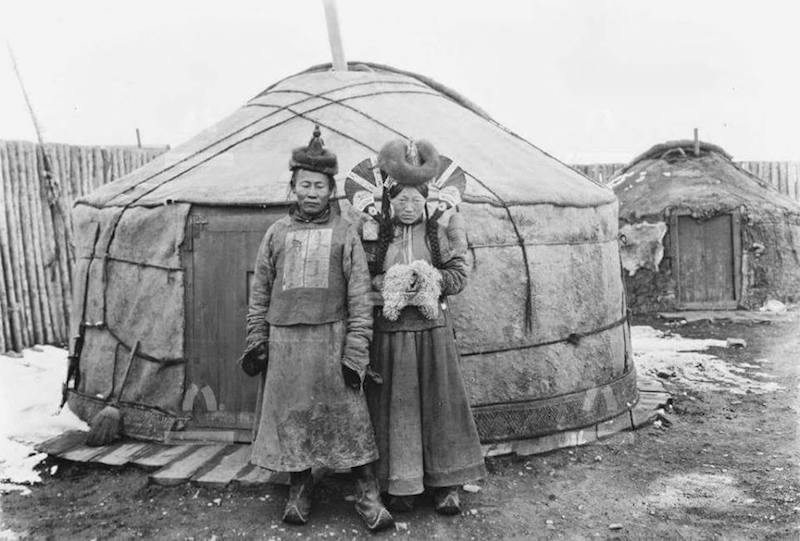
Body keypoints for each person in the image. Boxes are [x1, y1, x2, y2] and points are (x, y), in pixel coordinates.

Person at [243, 126, 393, 532]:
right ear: (293, 188)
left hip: (332, 341)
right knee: (294, 421)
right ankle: (299, 491)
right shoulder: (276, 234)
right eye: (304, 185)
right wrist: (257, 339)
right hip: (286, 344)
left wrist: (355, 353)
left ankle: (367, 496)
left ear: (331, 191)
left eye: (320, 186)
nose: (311, 192)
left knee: (352, 421)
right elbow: (259, 295)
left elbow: (361, 299)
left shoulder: (345, 234)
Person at [358, 139, 486, 515]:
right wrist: (390, 283)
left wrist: (430, 279)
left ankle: (447, 484)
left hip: (432, 332)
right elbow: (361, 279)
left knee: (439, 405)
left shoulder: (444, 229)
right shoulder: (374, 234)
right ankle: (402, 484)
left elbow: (460, 275)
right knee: (397, 407)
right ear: (388, 202)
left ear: (427, 200)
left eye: (415, 199)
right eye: (400, 200)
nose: (408, 207)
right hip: (391, 334)